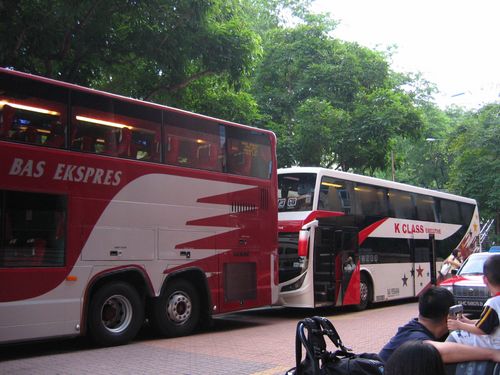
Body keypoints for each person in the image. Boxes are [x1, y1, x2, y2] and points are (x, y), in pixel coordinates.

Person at [379, 286, 500, 364]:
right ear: (449, 315)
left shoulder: (419, 327)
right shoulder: (412, 336)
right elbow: (440, 352)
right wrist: (492, 354)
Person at [447, 254, 500, 349]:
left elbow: (482, 329)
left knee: (456, 336)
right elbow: (490, 322)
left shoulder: (492, 304)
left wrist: (460, 325)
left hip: (494, 344)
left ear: (485, 279)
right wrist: (468, 321)